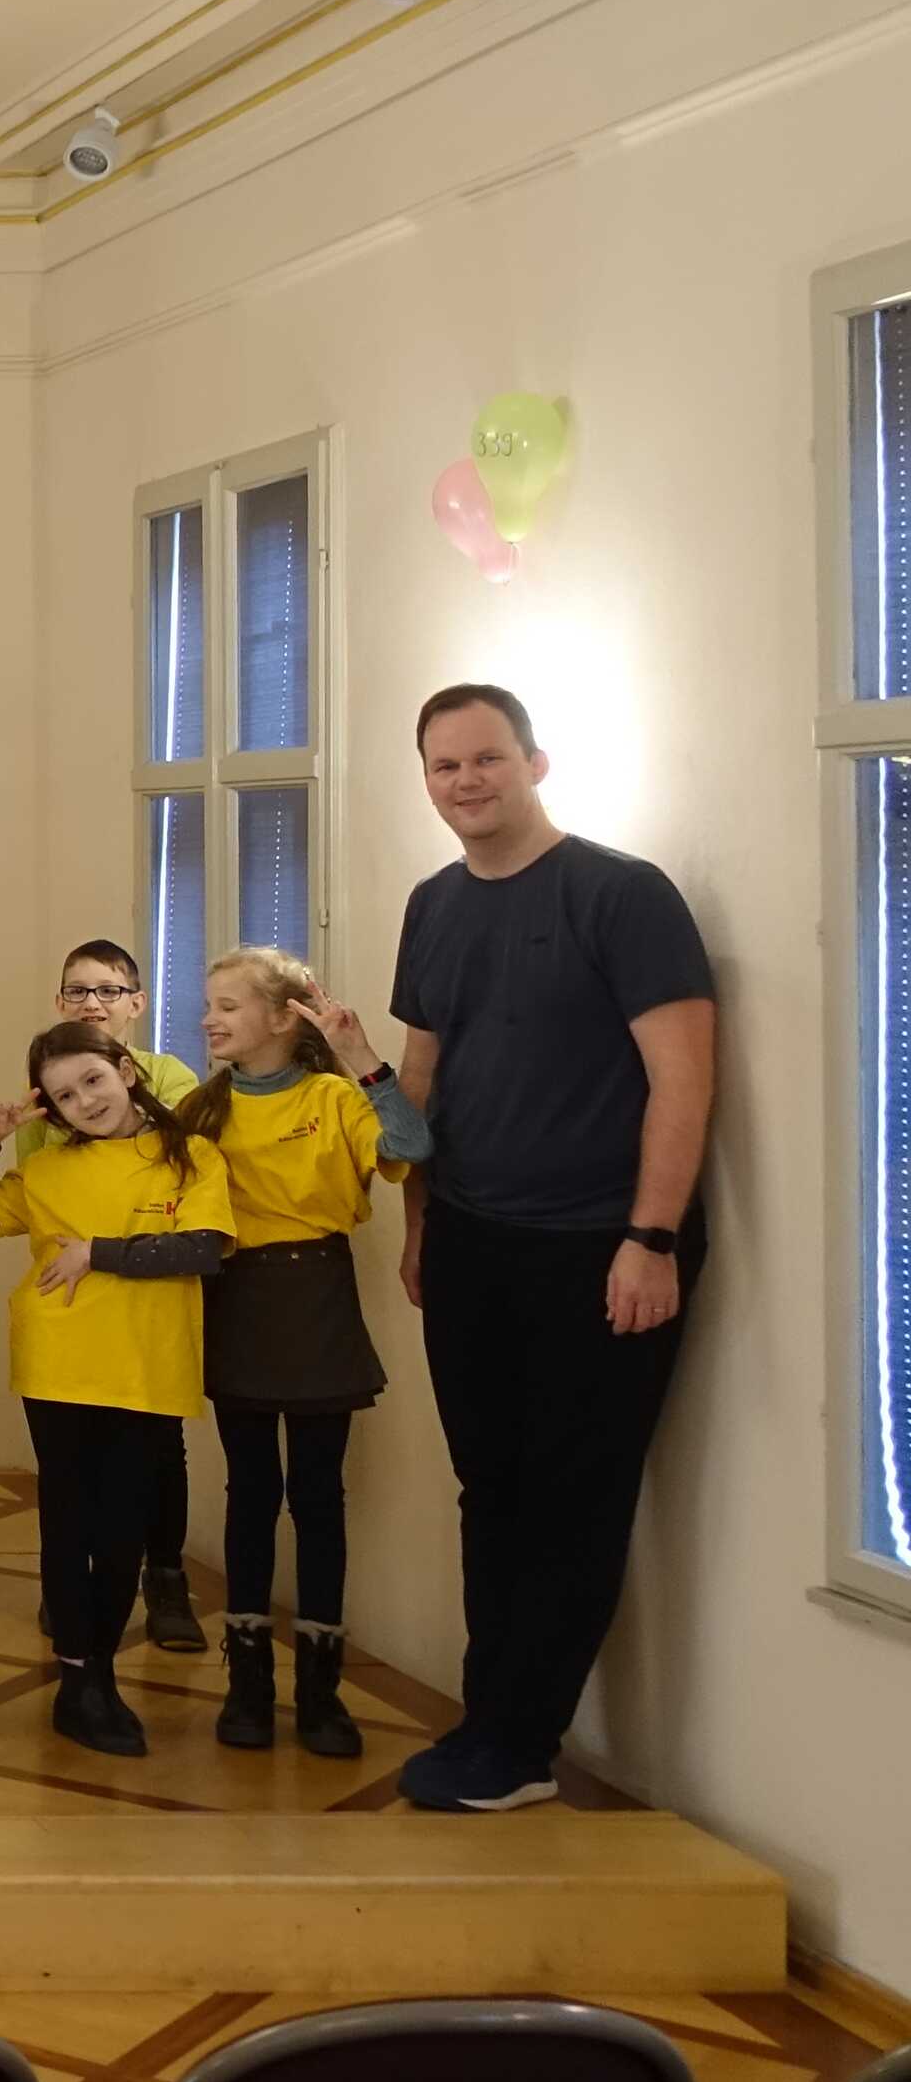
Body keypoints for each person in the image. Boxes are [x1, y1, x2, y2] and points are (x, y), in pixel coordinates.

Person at [388, 683, 716, 1815]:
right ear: (426, 780)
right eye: (444, 767)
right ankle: (493, 1720)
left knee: (576, 1496)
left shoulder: (620, 895)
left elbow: (684, 1076)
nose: (466, 781)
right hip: (473, 1236)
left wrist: (651, 1238)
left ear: (534, 761)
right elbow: (421, 1079)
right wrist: (419, 1221)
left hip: (600, 1243)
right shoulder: (431, 905)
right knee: (493, 1489)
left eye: (485, 758)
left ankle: (523, 1744)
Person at [175, 946, 430, 1758]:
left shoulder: (331, 1095)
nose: (210, 1018)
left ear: (284, 1018)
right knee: (250, 1489)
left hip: (317, 1291)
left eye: (227, 1005)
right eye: (208, 1004)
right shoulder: (204, 1107)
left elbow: (412, 1145)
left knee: (319, 1493)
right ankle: (247, 1682)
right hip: (235, 1296)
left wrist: (360, 1055)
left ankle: (321, 1689)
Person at [0, 1022, 228, 1760]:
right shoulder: (47, 1175)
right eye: (66, 1095)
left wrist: (97, 1252)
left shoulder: (192, 1157)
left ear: (128, 1071)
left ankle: (100, 1663)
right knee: (68, 1526)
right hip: (58, 1365)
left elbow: (203, 1248)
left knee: (123, 1535)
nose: (85, 1101)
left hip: (146, 1369)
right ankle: (81, 1681)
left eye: (94, 1081)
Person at [18, 941, 208, 1655]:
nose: (91, 1001)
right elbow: (35, 1189)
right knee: (73, 1471)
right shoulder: (46, 1088)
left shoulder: (176, 1080)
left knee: (158, 1448)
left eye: (107, 988)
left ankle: (163, 1578)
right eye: (76, 990)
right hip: (75, 1308)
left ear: (136, 1002)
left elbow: (184, 1187)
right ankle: (75, 1602)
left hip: (152, 1291)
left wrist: (108, 1250)